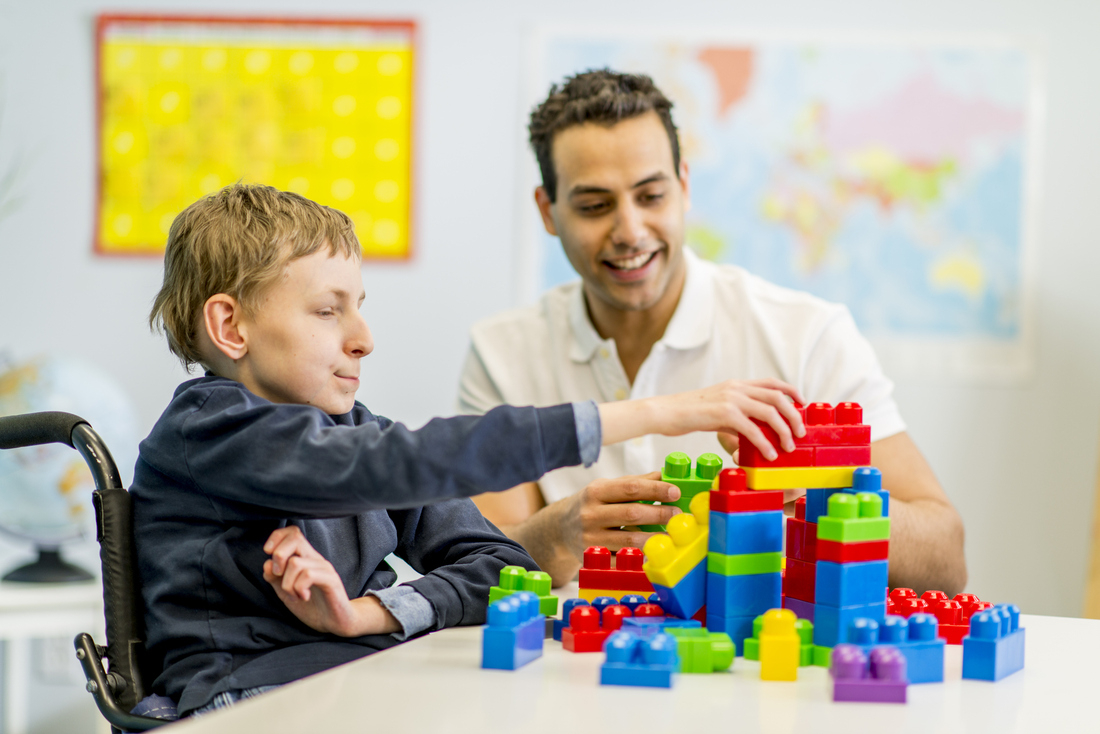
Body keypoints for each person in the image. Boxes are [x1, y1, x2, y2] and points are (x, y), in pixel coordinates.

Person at [132, 183, 815, 716]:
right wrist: (656, 414)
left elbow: (499, 565)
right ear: (230, 325)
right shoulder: (208, 429)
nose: (363, 338)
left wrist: (366, 614)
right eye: (328, 310)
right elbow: (389, 464)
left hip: (358, 675)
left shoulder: (354, 436)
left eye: (359, 305)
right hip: (246, 700)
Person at [459, 70, 966, 596]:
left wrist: (816, 494)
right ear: (549, 211)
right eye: (594, 206)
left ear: (683, 187)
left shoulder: (808, 337)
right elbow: (473, 561)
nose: (630, 231)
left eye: (651, 195)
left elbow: (946, 561)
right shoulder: (504, 354)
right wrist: (558, 533)